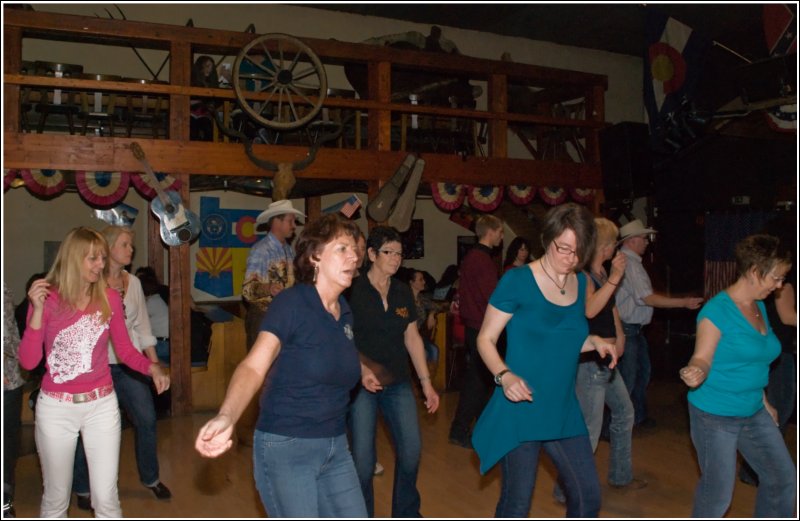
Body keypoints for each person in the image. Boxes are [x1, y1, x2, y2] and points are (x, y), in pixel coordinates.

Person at [195, 214, 367, 518]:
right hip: (288, 447)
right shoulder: (292, 303)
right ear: (315, 256)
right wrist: (227, 416)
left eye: (355, 251)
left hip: (336, 447)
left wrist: (363, 369)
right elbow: (253, 367)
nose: (353, 257)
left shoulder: (346, 312)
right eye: (342, 248)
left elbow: (331, 358)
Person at [471, 203, 618, 517]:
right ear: (547, 238)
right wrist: (504, 375)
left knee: (587, 497)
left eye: (579, 252)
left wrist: (593, 341)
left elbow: (563, 339)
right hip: (522, 406)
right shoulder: (517, 282)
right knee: (517, 504)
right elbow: (485, 339)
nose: (570, 258)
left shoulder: (579, 283)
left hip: (563, 408)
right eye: (563, 248)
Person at [18, 226, 169, 517]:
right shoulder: (47, 299)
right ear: (74, 259)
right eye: (93, 259)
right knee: (56, 499)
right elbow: (27, 361)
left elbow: (124, 351)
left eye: (102, 258)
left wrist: (152, 368)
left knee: (107, 499)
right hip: (56, 409)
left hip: (101, 405)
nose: (101, 264)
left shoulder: (110, 298)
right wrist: (36, 312)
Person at [679, 234, 795, 517]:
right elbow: (703, 357)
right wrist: (696, 370)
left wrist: (764, 400)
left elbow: (756, 361)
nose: (780, 285)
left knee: (782, 479)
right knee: (717, 496)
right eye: (776, 277)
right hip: (715, 416)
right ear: (756, 271)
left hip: (753, 410)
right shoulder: (716, 311)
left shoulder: (760, 306)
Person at [72, 226, 172, 511]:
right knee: (87, 428)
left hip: (129, 365)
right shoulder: (90, 281)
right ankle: (82, 486)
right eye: (126, 245)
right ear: (109, 248)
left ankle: (151, 478)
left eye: (131, 245)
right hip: (97, 367)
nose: (131, 250)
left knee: (147, 418)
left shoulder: (135, 284)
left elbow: (142, 327)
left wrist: (154, 367)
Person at [347, 226, 440, 517]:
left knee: (411, 451)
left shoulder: (401, 291)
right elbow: (341, 336)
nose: (396, 258)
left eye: (399, 253)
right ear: (372, 254)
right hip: (362, 385)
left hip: (398, 383)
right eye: (389, 252)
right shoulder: (353, 289)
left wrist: (426, 383)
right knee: (363, 463)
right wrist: (361, 369)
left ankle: (406, 513)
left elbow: (412, 337)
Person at [554, 218, 645, 504]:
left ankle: (620, 475)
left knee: (624, 411)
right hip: (589, 360)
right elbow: (591, 311)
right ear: (602, 246)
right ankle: (566, 489)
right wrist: (617, 277)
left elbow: (611, 308)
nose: (614, 249)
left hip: (607, 357)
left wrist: (620, 337)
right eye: (611, 244)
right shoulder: (580, 276)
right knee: (589, 429)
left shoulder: (602, 273)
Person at [615, 219, 703, 428]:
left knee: (640, 376)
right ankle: (617, 425)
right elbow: (647, 298)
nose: (647, 242)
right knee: (629, 379)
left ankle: (636, 418)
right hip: (629, 330)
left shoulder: (632, 263)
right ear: (633, 240)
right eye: (645, 238)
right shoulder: (630, 265)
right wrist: (683, 302)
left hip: (634, 331)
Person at [239, 199, 304, 445]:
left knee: (282, 373)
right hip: (263, 316)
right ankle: (250, 431)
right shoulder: (261, 251)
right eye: (290, 220)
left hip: (285, 317)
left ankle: (277, 426)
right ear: (276, 222)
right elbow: (248, 290)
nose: (293, 226)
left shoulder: (289, 251)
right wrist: (269, 287)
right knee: (259, 373)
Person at [738, 216, 797, 486]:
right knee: (777, 411)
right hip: (779, 354)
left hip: (776, 351)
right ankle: (756, 471)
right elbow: (787, 317)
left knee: (775, 411)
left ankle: (759, 470)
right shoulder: (782, 282)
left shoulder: (775, 282)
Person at [449, 214, 504, 448]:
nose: (502, 236)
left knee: (481, 378)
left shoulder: (472, 257)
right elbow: (494, 298)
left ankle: (477, 427)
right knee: (478, 381)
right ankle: (460, 429)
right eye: (501, 231)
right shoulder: (482, 260)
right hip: (483, 327)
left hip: (475, 325)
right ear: (491, 231)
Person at [3, 283, 25, 518]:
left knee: (8, 444)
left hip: (9, 379)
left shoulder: (5, 288)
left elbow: (11, 331)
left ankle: (4, 497)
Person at [406, 269, 440, 378]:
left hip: (418, 335)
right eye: (420, 280)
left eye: (423, 279)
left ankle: (430, 381)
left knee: (434, 350)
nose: (424, 282)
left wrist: (431, 314)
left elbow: (437, 306)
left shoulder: (421, 298)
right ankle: (419, 381)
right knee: (423, 352)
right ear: (412, 282)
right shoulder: (405, 298)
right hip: (404, 336)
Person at [135, 267, 170, 364]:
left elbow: (136, 320)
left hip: (161, 343)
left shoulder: (151, 302)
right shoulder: (157, 299)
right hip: (166, 342)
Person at [190, 55, 219, 141]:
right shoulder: (191, 81)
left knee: (208, 131)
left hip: (204, 115)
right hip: (191, 113)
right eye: (207, 66)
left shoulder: (212, 83)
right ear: (200, 67)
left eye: (211, 67)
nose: (209, 69)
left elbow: (214, 102)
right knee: (192, 130)